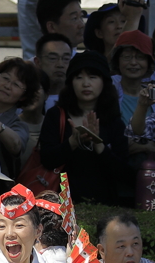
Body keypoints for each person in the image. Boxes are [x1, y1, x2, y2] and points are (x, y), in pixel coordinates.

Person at [39, 51, 129, 205]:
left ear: (104, 82)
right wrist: (72, 143)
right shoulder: (56, 115)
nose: (85, 83)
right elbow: (46, 159)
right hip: (61, 202)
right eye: (78, 77)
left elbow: (124, 173)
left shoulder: (113, 120)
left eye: (92, 77)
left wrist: (99, 145)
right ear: (71, 82)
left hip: (104, 203)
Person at [112, 31, 155, 130]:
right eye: (127, 57)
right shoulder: (108, 92)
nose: (133, 63)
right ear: (117, 61)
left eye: (140, 57)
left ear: (149, 63)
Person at [33, 33, 72, 104]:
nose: (60, 65)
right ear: (38, 62)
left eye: (66, 59)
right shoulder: (27, 100)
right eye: (53, 58)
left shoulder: (79, 99)